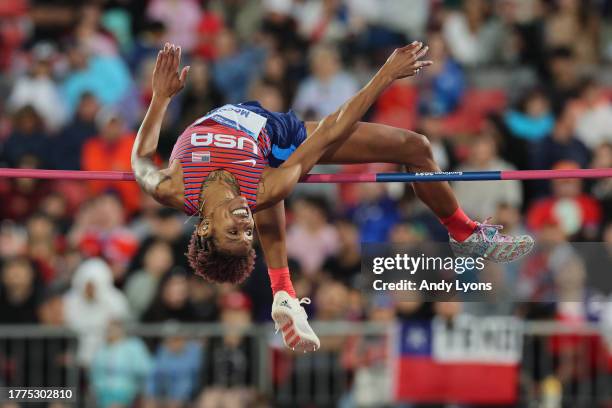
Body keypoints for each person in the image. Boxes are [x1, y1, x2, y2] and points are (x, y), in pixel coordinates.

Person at [131, 42, 534, 353]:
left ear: (203, 225)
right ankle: (464, 233)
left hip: (262, 136)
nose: (243, 224)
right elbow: (331, 129)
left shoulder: (170, 187)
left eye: (231, 232)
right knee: (415, 146)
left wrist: (161, 98)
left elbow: (142, 155)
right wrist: (384, 76)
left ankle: (284, 294)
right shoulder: (267, 189)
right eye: (247, 234)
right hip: (283, 140)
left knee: (414, 149)